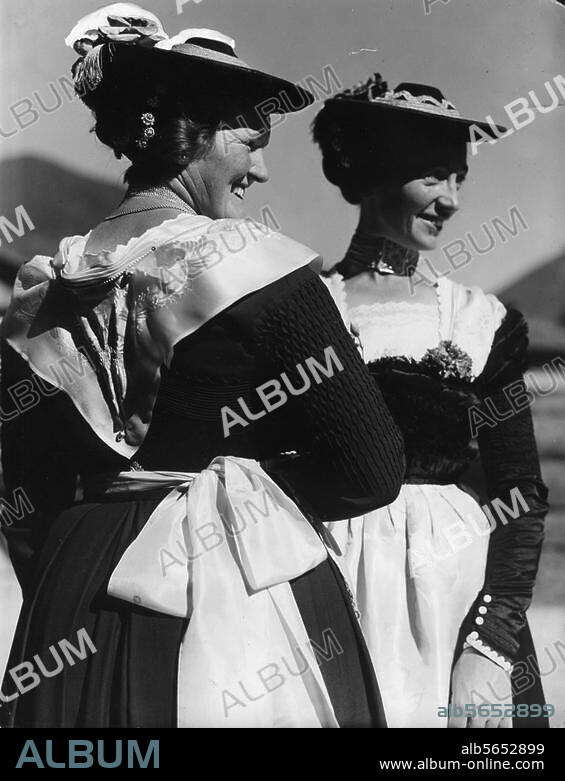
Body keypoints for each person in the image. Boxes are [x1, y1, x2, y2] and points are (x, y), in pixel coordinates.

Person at [0, 7, 404, 728]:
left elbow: (26, 496)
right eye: (250, 142)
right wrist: (242, 488)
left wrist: (78, 572)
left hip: (72, 590)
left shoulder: (40, 290)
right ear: (193, 135)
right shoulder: (260, 265)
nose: (262, 168)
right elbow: (370, 468)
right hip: (228, 588)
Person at [312, 74, 549, 728]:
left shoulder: (481, 320)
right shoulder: (304, 311)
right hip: (329, 586)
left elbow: (520, 493)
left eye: (457, 180)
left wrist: (489, 646)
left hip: (454, 593)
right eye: (432, 177)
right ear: (374, 171)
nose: (449, 201)